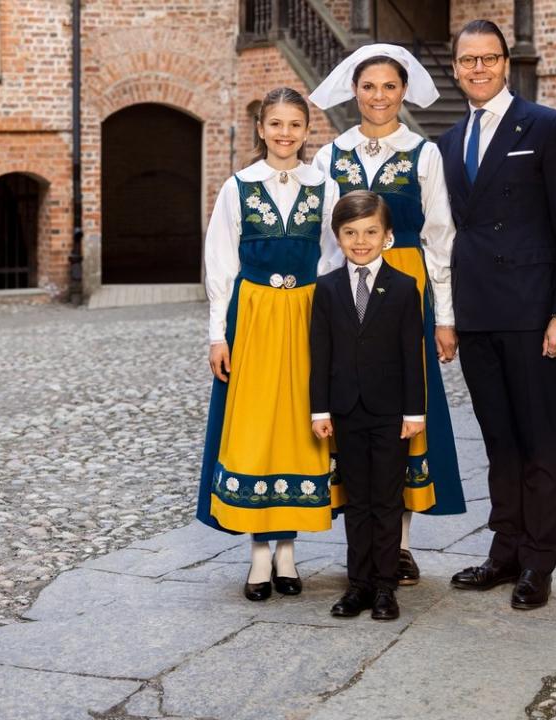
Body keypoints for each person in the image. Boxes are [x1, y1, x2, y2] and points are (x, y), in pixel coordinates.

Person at [437, 20, 556, 609]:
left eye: (489, 58)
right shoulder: (449, 143)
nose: (479, 68)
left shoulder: (546, 127)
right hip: (476, 313)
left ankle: (538, 563)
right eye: (468, 60)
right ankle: (504, 551)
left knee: (537, 439)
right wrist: (447, 314)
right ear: (455, 68)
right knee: (497, 439)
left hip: (530, 312)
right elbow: (447, 233)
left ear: (506, 63)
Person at [310, 44, 466, 586]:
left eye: (389, 87)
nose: (379, 97)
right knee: (352, 406)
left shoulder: (424, 154)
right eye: (369, 86)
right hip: (346, 294)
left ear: (403, 92)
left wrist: (444, 316)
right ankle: (360, 539)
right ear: (355, 91)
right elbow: (327, 245)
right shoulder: (331, 156)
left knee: (403, 410)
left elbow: (440, 238)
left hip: (407, 289)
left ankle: (397, 544)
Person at [196, 87, 343, 602]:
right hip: (253, 317)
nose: (285, 134)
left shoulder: (324, 187)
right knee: (256, 427)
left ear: (308, 131)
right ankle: (259, 555)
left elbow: (333, 259)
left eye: (294, 125)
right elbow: (221, 265)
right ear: (260, 128)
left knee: (301, 427)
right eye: (275, 124)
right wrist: (219, 333)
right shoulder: (238, 188)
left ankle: (288, 551)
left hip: (305, 314)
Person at [309, 191, 425, 621]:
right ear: (338, 237)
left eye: (371, 232)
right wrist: (319, 411)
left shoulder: (403, 288)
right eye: (351, 233)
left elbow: (412, 355)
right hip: (345, 410)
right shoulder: (326, 288)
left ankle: (384, 587)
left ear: (387, 236)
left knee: (386, 500)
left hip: (391, 412)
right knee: (356, 500)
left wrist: (415, 412)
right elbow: (319, 354)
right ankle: (357, 585)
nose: (361, 241)